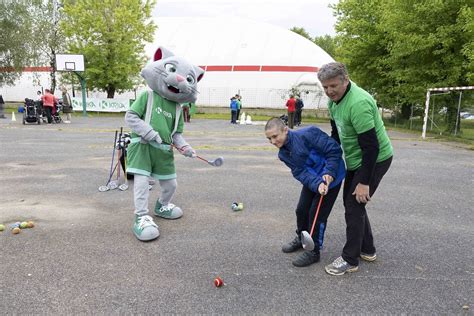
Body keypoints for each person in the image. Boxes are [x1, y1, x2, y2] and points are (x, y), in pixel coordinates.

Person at [317, 62, 393, 276]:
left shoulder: (358, 103)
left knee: (353, 205)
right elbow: (336, 134)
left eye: (333, 85)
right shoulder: (334, 101)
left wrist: (364, 182)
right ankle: (367, 249)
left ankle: (350, 259)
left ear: (345, 80)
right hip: (355, 159)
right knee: (354, 204)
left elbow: (372, 147)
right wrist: (330, 164)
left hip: (375, 158)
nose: (329, 91)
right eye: (325, 87)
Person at [125, 46, 204, 242]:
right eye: (172, 71)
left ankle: (162, 205)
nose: (179, 80)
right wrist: (150, 133)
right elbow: (131, 117)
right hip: (142, 147)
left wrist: (185, 147)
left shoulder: (178, 108)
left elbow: (176, 134)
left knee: (171, 184)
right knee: (142, 183)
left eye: (188, 79)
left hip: (164, 151)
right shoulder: (147, 96)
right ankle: (141, 216)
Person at [264, 117, 346, 267]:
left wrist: (328, 174)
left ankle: (313, 251)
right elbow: (300, 172)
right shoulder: (283, 154)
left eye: (275, 136)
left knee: (316, 214)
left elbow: (334, 151)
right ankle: (302, 238)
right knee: (301, 210)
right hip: (313, 179)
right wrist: (317, 184)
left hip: (332, 176)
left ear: (286, 130)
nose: (273, 142)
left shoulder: (309, 133)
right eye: (269, 139)